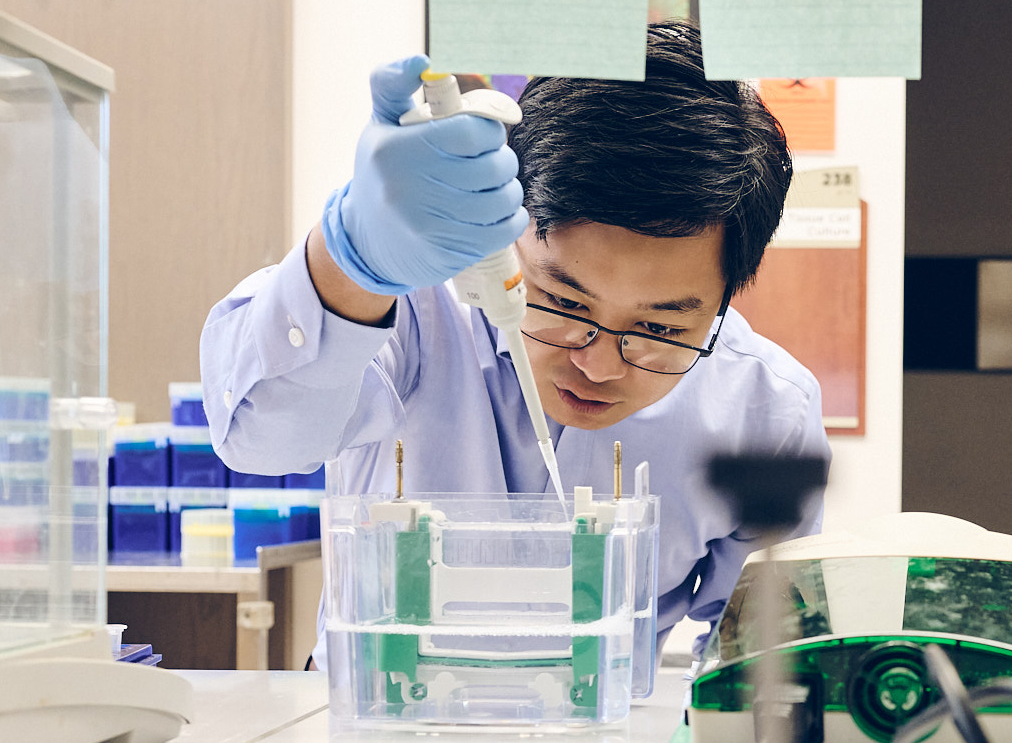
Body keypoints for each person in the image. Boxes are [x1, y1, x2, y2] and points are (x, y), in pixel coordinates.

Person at [200, 20, 830, 669]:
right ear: (510, 229)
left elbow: (763, 653)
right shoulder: (408, 311)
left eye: (660, 329)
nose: (596, 364)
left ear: (727, 297)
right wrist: (348, 260)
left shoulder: (765, 412)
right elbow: (258, 439)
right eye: (563, 301)